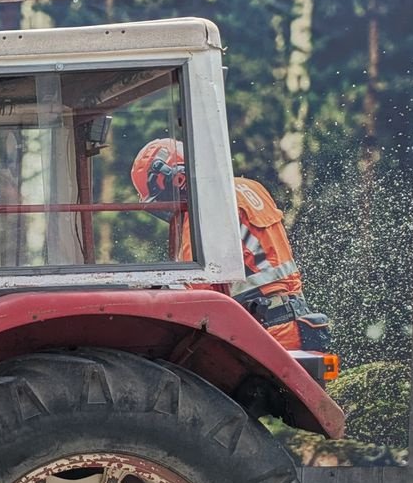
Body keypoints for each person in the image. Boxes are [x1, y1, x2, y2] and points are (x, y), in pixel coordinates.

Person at [130, 138, 329, 350]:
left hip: (265, 328)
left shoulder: (202, 210)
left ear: (178, 178)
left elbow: (198, 288)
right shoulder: (249, 187)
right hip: (294, 317)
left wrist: (156, 295)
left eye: (163, 197)